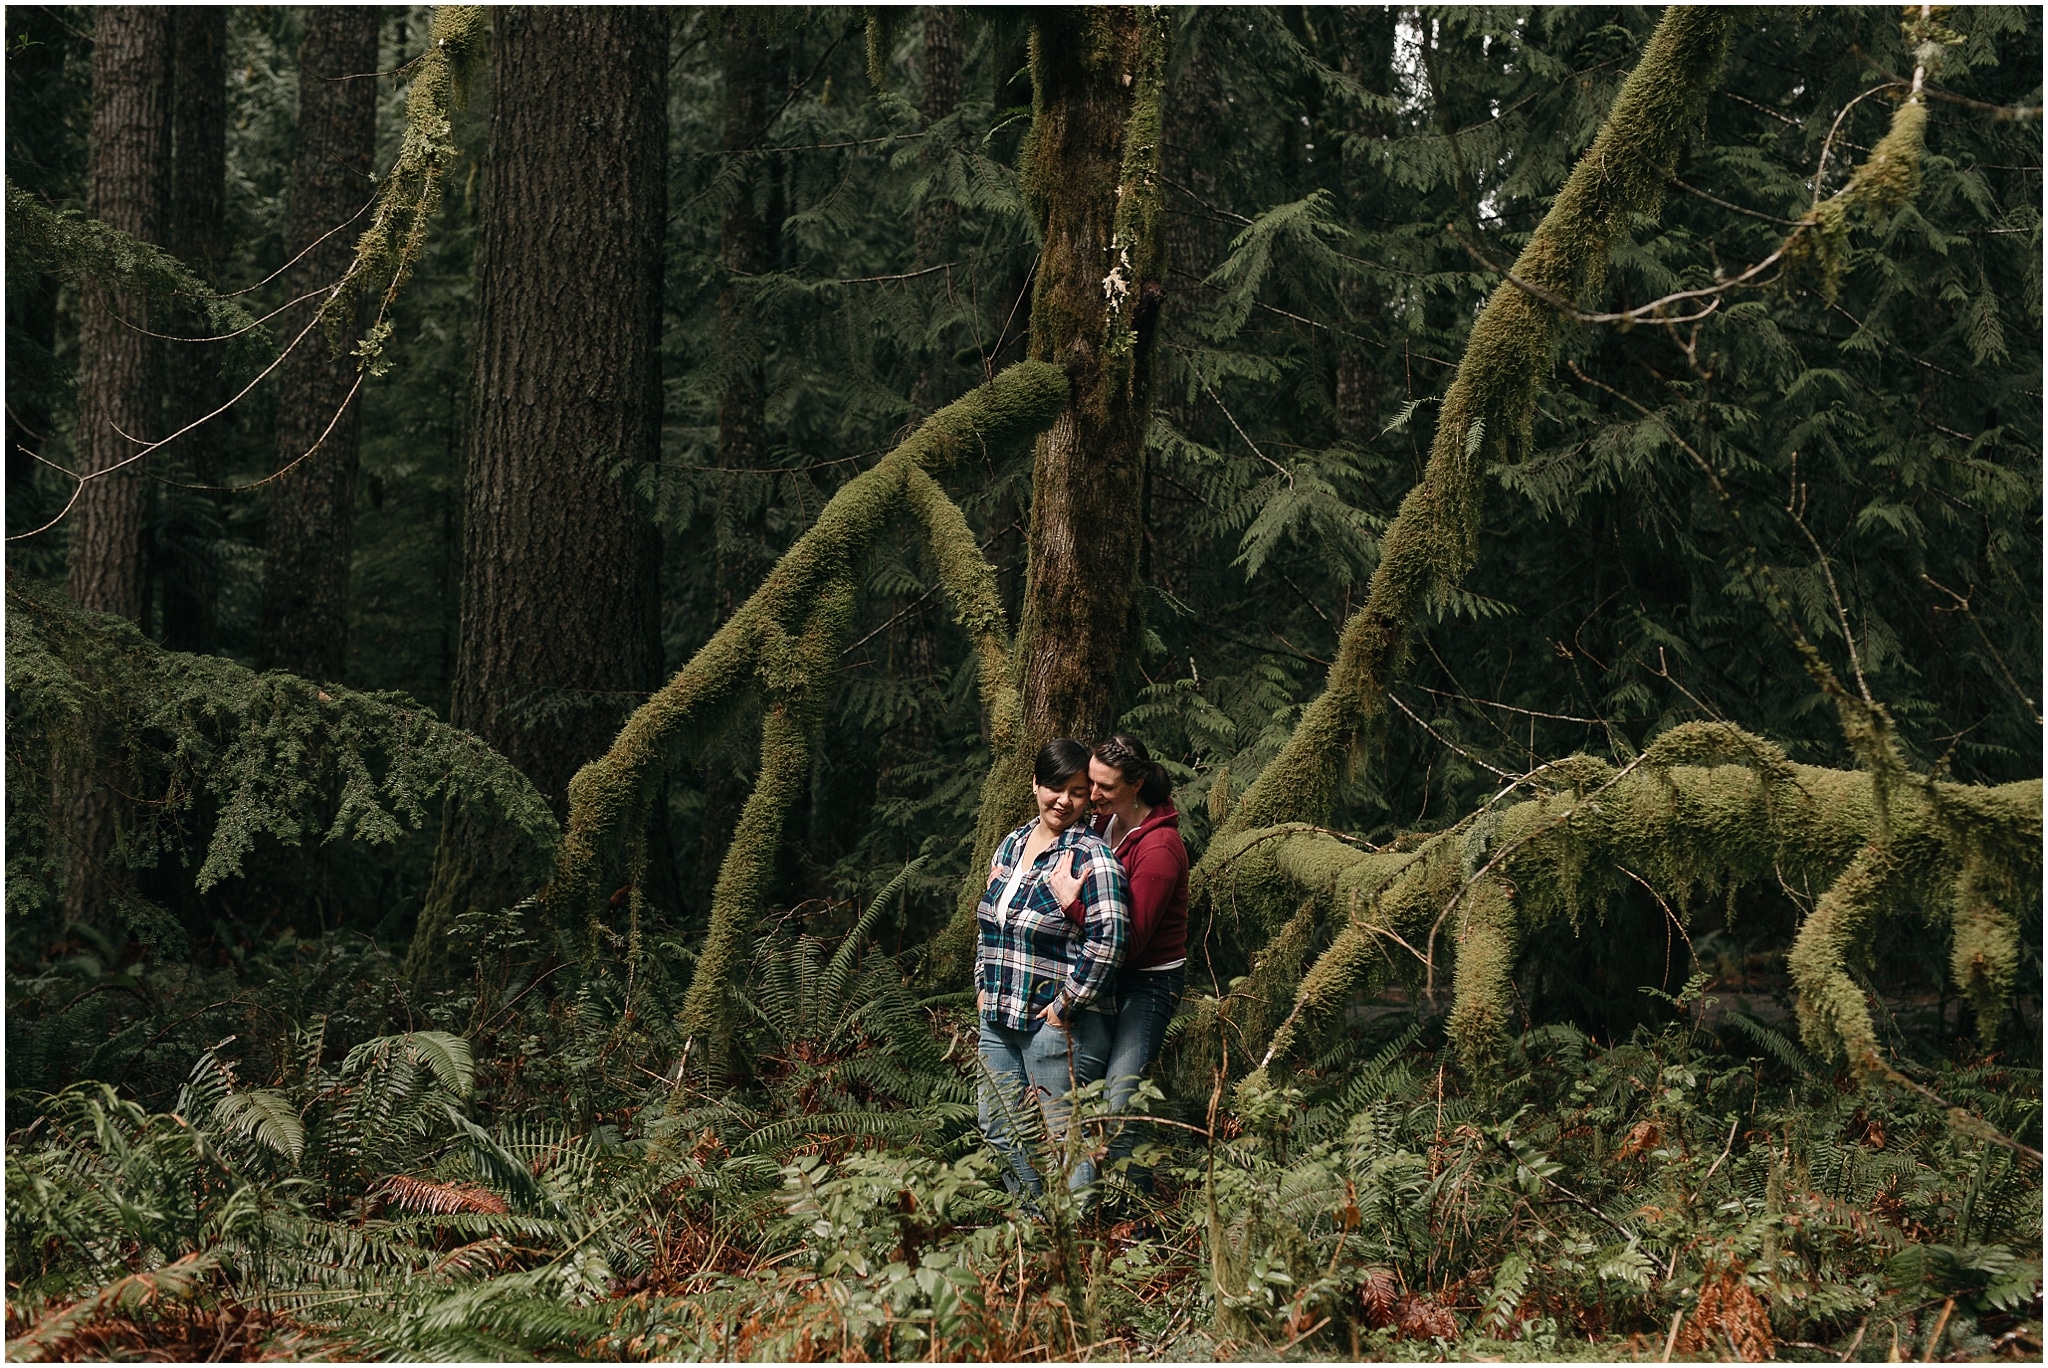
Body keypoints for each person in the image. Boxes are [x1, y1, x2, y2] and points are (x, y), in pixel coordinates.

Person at [975, 738, 1130, 1198]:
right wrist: (982, 985)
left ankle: (1079, 1247)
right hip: (998, 1019)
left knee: (1067, 1140)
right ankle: (1038, 1225)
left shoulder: (1091, 856)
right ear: (1035, 784)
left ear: (1089, 797)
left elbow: (1111, 939)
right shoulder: (1011, 844)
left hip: (1058, 1028)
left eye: (1078, 791)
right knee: (999, 1127)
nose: (1064, 800)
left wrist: (1066, 1006)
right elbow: (988, 925)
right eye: (1055, 787)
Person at [1049, 733, 1187, 1197]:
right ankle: (1094, 1203)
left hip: (1146, 986)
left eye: (1104, 786)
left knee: (1121, 1101)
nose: (1092, 793)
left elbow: (1128, 942)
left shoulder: (1161, 849)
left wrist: (1072, 906)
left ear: (1138, 783)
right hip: (1102, 977)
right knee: (1084, 1094)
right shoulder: (1100, 826)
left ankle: (1138, 1221)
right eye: (1091, 781)